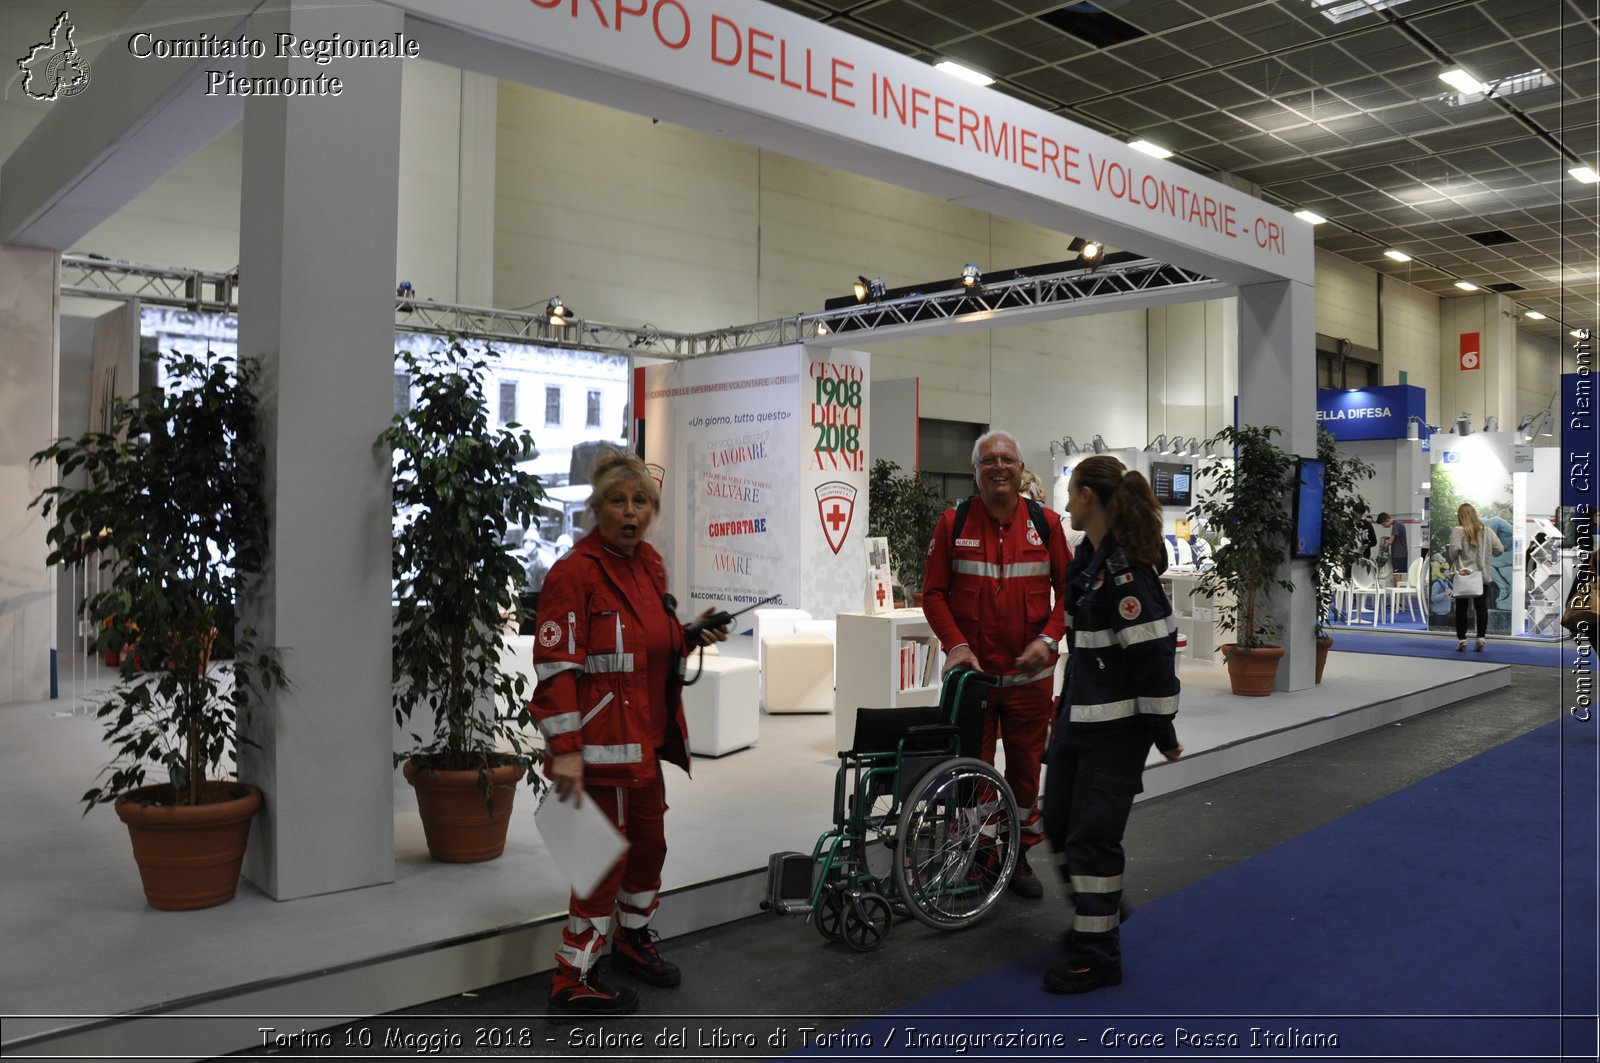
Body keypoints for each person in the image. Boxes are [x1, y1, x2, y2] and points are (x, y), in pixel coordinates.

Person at [530, 451, 728, 1017]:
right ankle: (574, 976)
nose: (630, 511)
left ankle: (631, 939)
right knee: (599, 863)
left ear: (653, 509)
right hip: (600, 753)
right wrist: (565, 751)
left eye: (641, 501)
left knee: (648, 849)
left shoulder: (651, 567)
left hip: (646, 744)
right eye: (618, 501)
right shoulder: (574, 573)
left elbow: (644, 646)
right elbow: (555, 669)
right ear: (598, 508)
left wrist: (688, 636)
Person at [1042, 454, 1182, 995]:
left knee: (1092, 840)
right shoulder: (1089, 561)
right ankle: (1097, 913)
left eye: (1073, 494)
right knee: (1057, 824)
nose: (1068, 503)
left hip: (1115, 732)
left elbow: (1154, 656)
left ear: (1091, 500)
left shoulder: (1124, 571)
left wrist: (1163, 733)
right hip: (1079, 722)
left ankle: (1098, 955)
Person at [922, 430, 1071, 899]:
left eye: (1007, 459)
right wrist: (955, 645)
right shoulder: (954, 522)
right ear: (975, 471)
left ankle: (1019, 854)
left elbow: (1070, 594)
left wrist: (1049, 639)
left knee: (1026, 773)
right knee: (972, 771)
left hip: (1031, 681)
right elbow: (933, 594)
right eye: (989, 461)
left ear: (1020, 469)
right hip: (975, 681)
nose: (999, 467)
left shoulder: (1046, 525)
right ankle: (983, 856)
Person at [1448, 502, 1505, 653]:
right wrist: (1487, 554)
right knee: (1481, 608)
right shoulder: (1487, 531)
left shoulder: (1457, 531)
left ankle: (1462, 640)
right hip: (1482, 575)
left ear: (1460, 516)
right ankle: (1481, 638)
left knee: (1461, 608)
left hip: (1463, 575)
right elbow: (1499, 549)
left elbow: (1453, 552)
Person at [1376, 512, 1408, 585]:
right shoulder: (1399, 523)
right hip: (1402, 554)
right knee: (1399, 575)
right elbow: (1396, 538)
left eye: (1384, 525)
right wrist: (1387, 538)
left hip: (1398, 554)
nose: (1384, 527)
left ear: (1387, 520)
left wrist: (1382, 550)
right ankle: (1400, 596)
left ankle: (1399, 594)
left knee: (1396, 576)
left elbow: (1390, 542)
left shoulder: (1396, 525)